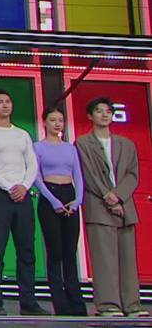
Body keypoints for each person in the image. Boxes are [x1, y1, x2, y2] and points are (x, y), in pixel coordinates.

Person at [0, 89, 46, 316]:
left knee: (27, 249)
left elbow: (32, 163)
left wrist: (24, 186)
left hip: (23, 196)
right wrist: (9, 187)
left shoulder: (22, 134)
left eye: (7, 101)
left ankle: (28, 302)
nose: (4, 105)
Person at [75, 97, 149, 318]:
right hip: (99, 206)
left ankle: (132, 304)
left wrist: (118, 196)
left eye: (108, 111)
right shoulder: (82, 143)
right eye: (99, 111)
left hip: (125, 207)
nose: (104, 114)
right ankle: (108, 305)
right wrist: (108, 196)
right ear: (90, 116)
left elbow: (133, 175)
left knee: (128, 260)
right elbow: (88, 173)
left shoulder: (127, 144)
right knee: (104, 260)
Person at [33, 107, 87, 316]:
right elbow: (37, 177)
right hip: (50, 196)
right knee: (54, 251)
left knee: (69, 252)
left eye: (61, 120)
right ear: (44, 123)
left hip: (70, 195)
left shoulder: (70, 148)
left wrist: (77, 201)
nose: (57, 124)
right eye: (53, 120)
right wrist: (54, 201)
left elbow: (78, 175)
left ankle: (78, 305)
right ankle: (61, 305)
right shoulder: (38, 147)